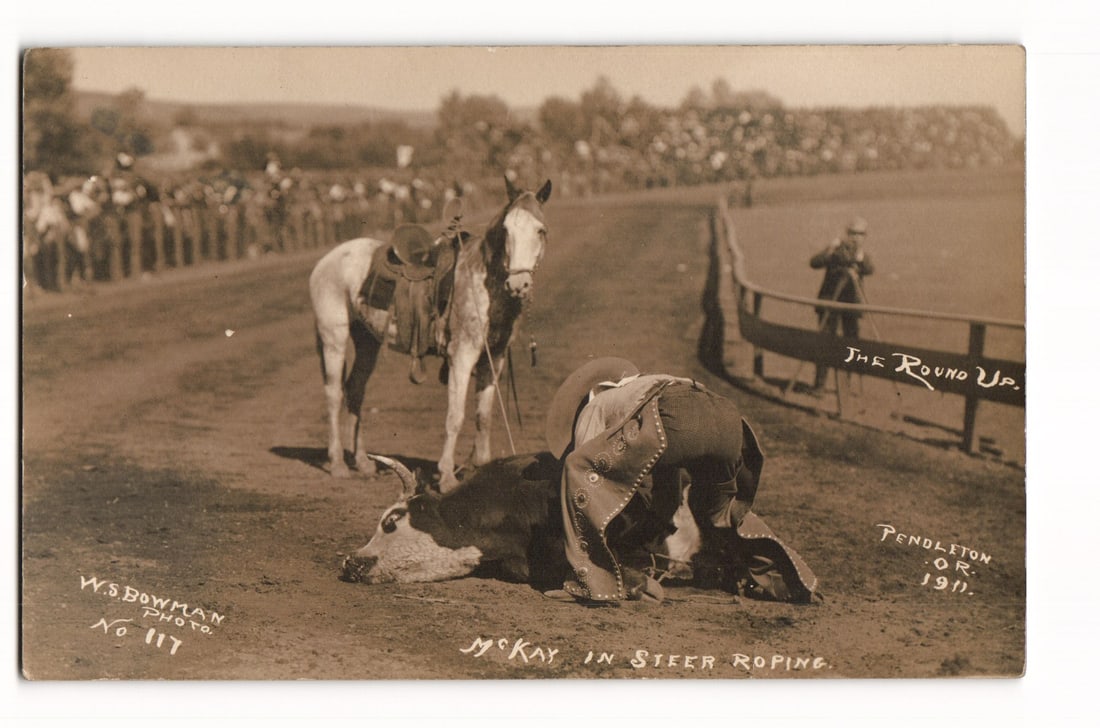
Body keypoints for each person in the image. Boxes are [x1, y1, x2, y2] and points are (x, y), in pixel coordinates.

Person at [544, 357, 818, 605]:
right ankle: (787, 579)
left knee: (576, 467)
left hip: (675, 419)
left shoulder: (599, 404)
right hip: (728, 419)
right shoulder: (654, 383)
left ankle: (590, 581)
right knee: (722, 511)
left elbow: (587, 466)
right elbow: (667, 481)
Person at [810, 217, 875, 390]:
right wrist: (831, 250)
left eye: (860, 234)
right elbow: (814, 262)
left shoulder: (862, 256)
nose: (856, 238)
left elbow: (869, 269)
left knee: (852, 345)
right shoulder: (836, 250)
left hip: (851, 304)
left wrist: (859, 260)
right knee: (825, 343)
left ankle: (848, 386)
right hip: (830, 302)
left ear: (864, 237)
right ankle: (819, 385)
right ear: (847, 234)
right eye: (853, 233)